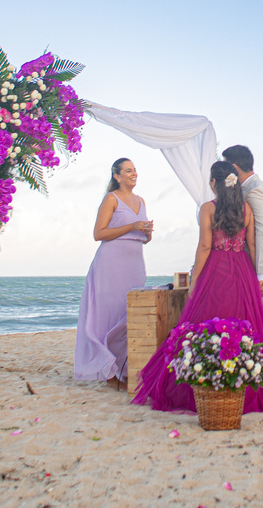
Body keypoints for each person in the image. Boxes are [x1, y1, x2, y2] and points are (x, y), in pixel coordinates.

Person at [132, 161, 263, 414]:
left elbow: (205, 246)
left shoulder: (208, 208)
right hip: (242, 270)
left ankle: (201, 384)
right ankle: (245, 386)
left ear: (214, 183)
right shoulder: (246, 208)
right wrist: (259, 275)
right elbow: (253, 244)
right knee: (245, 323)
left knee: (203, 321)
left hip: (216, 269)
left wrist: (195, 281)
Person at [74, 158, 153, 389]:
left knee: (128, 314)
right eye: (128, 170)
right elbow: (98, 233)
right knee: (108, 314)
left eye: (135, 170)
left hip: (135, 263)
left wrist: (146, 232)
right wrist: (132, 226)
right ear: (117, 176)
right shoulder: (111, 198)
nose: (133, 173)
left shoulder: (141, 200)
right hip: (111, 264)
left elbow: (143, 237)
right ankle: (107, 369)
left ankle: (124, 366)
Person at [222, 145, 263, 342]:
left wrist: (261, 273)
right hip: (251, 263)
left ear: (234, 167)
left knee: (262, 316)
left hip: (257, 264)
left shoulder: (255, 190)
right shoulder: (253, 186)